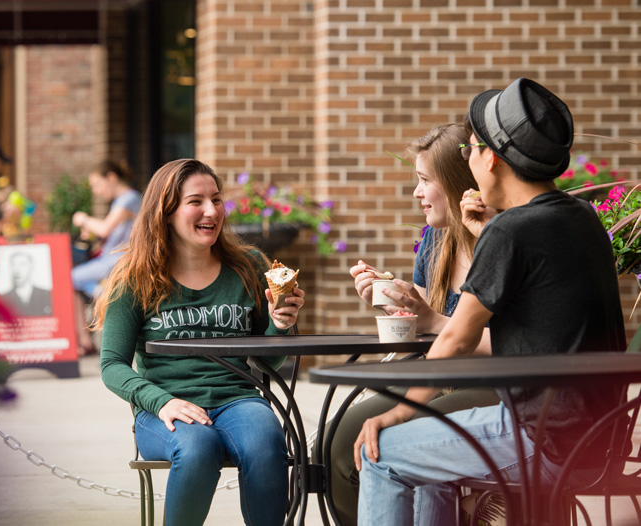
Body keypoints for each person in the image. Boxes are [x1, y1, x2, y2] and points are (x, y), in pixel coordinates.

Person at [354, 78, 626, 525]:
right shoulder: (581, 219)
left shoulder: (513, 229)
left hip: (544, 438)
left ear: (491, 159)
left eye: (471, 149)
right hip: (600, 438)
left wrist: (401, 411)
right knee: (427, 466)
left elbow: (457, 339)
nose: (469, 159)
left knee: (381, 454)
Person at [94, 159, 305, 526]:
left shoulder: (250, 266)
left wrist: (279, 324)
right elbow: (112, 365)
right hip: (164, 408)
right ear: (166, 212)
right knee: (198, 449)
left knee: (266, 440)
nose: (212, 211)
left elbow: (268, 361)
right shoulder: (134, 278)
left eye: (217, 199)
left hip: (238, 398)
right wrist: (162, 402)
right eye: (196, 201)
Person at [328, 124, 501, 526]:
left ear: (460, 184)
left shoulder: (499, 238)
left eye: (425, 181)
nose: (416, 193)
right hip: (439, 378)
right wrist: (392, 304)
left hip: (496, 387)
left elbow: (517, 341)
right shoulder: (434, 242)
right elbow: (423, 333)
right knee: (340, 440)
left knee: (382, 441)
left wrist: (433, 320)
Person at [70, 160, 142, 355]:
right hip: (112, 259)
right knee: (73, 281)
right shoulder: (122, 201)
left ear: (111, 177)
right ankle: (103, 297)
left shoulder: (129, 199)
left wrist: (83, 219)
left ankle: (105, 296)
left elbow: (104, 228)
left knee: (69, 278)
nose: (96, 191)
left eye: (97, 184)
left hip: (119, 260)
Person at [0, 250, 53, 317]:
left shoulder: (46, 294)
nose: (17, 270)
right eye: (13, 265)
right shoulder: (3, 298)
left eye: (22, 264)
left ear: (31, 267)